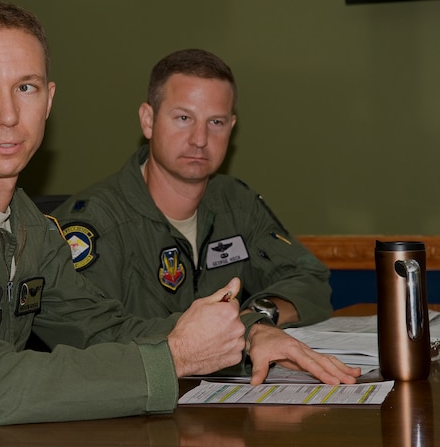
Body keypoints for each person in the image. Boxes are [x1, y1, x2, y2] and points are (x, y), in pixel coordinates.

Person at [0, 2, 358, 446]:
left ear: (48, 101)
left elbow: (104, 327)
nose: (6, 115)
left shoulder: (26, 222)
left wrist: (241, 334)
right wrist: (173, 360)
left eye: (25, 87)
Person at [53, 48, 332, 328]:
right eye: (184, 118)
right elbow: (94, 335)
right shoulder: (96, 222)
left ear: (231, 127)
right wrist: (226, 334)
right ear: (148, 120)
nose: (200, 139)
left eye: (216, 122)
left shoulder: (235, 202)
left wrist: (256, 320)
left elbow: (311, 281)